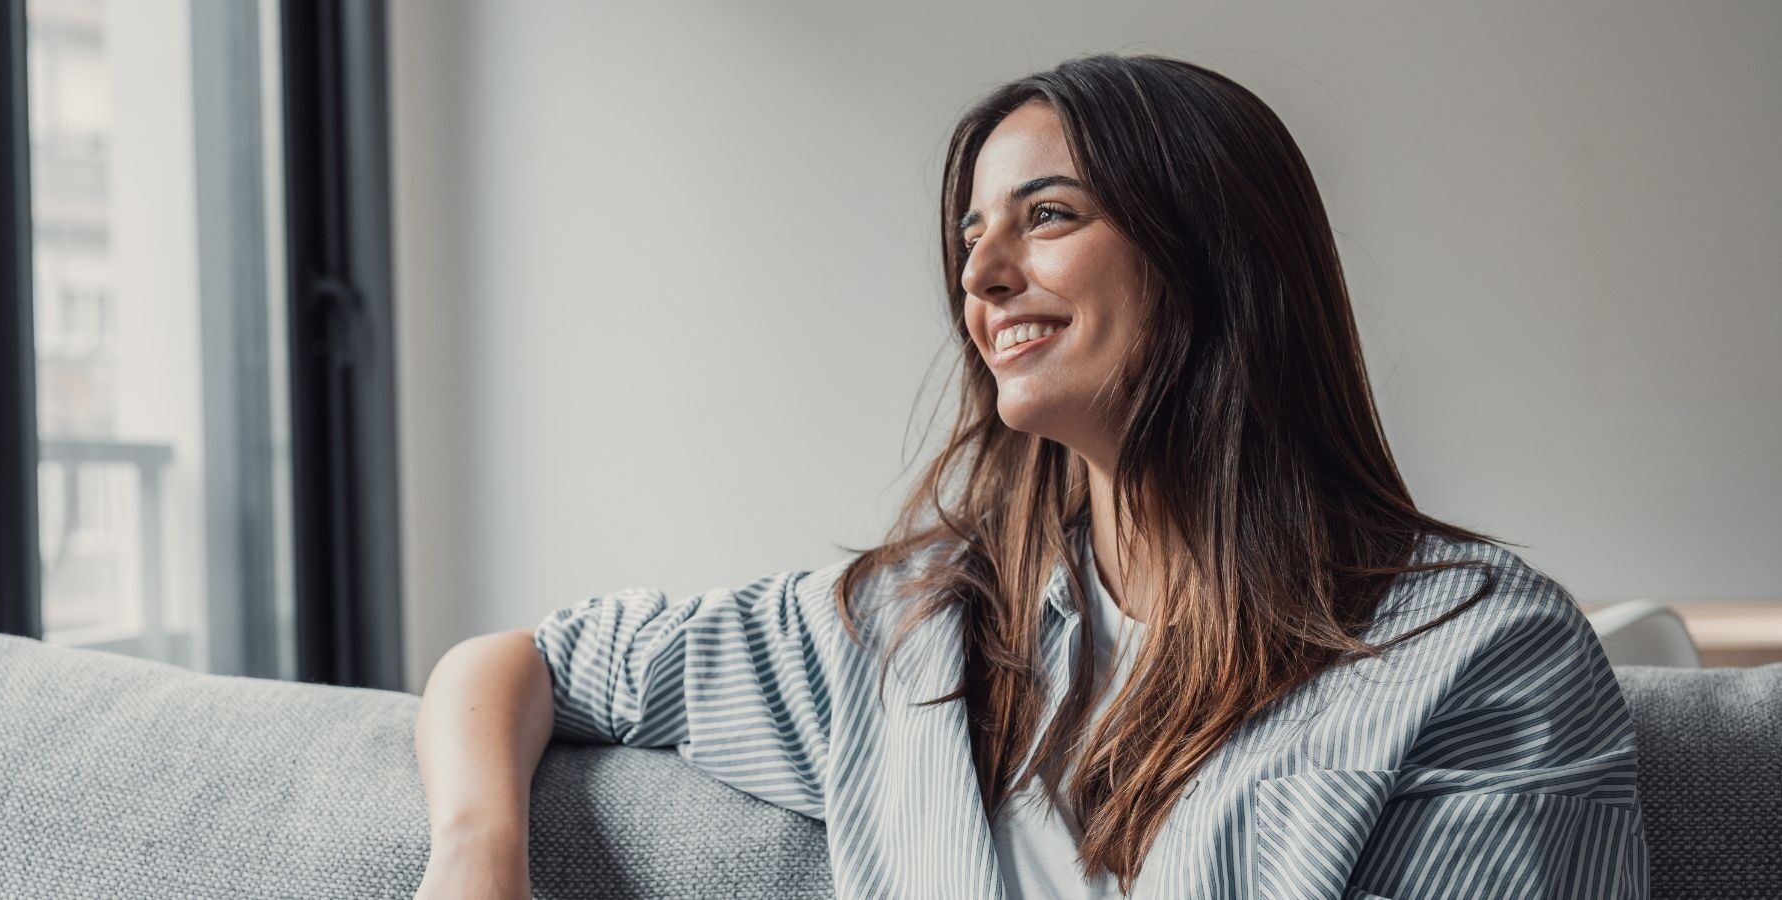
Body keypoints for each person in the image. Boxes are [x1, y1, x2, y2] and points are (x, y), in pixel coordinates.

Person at [412, 53, 1649, 899]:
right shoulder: (907, 633)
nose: (981, 274)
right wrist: (475, 855)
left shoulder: (1481, 657)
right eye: (968, 236)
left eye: (1046, 216)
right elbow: (525, 663)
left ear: (1212, 257)